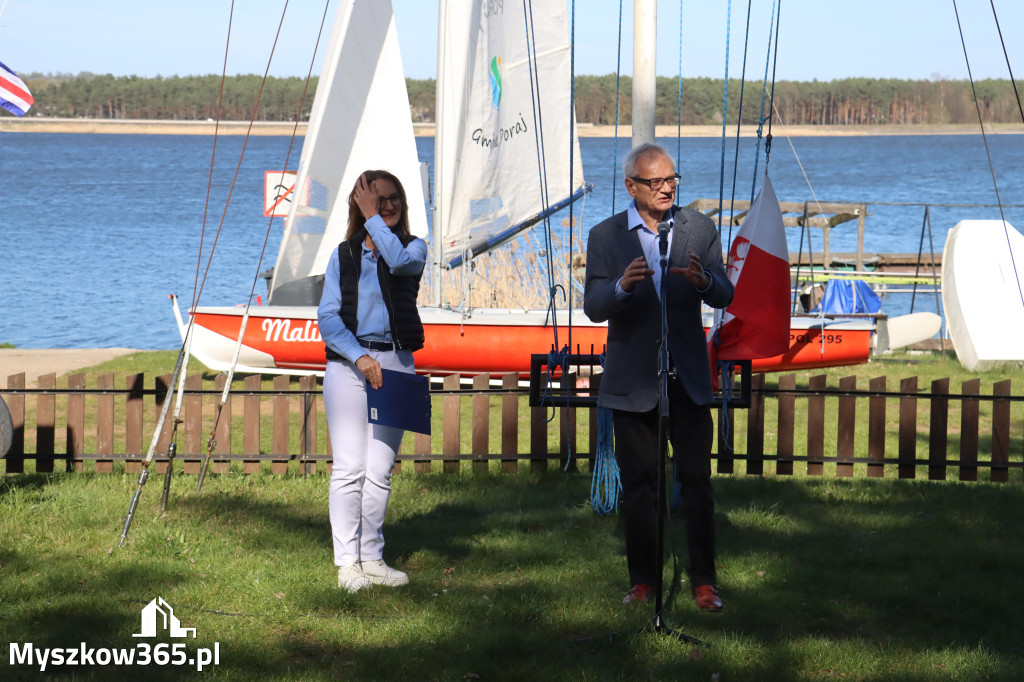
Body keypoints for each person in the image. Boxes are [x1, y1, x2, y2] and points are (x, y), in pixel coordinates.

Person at [583, 142, 734, 611]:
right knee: (641, 487)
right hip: (633, 383)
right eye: (656, 181)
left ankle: (704, 582)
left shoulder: (698, 228)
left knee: (696, 482)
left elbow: (726, 293)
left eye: (672, 179)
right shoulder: (606, 236)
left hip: (686, 379)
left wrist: (704, 282)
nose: (666, 187)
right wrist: (622, 289)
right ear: (632, 186)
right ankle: (643, 580)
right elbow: (593, 306)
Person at [317, 169, 428, 593]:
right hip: (348, 365)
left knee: (380, 470)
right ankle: (348, 565)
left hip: (397, 363)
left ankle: (372, 558)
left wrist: (372, 220)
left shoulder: (413, 248)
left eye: (393, 197)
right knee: (350, 468)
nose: (388, 205)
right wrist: (360, 356)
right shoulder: (342, 256)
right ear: (360, 207)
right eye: (377, 200)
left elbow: (398, 262)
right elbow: (328, 318)